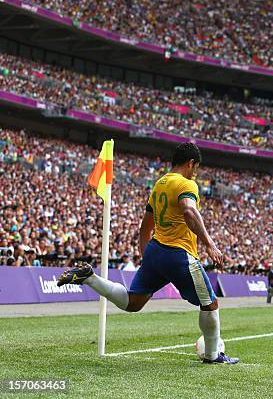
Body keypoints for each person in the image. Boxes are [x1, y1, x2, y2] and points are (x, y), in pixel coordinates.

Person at [57, 143, 238, 364]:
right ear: (191, 163)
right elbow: (189, 210)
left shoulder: (159, 184)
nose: (196, 172)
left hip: (156, 250)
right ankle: (212, 355)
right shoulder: (186, 183)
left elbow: (145, 225)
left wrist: (148, 255)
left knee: (133, 302)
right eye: (196, 167)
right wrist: (209, 243)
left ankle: (90, 278)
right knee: (210, 303)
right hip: (179, 253)